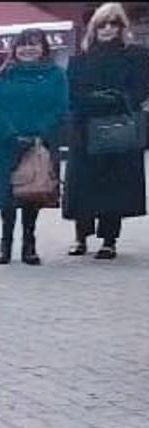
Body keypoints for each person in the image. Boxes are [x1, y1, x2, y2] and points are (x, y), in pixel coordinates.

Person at [63, 2, 149, 260]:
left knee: (115, 185)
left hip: (119, 127)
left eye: (114, 23)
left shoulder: (138, 56)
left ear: (122, 27)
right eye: (103, 23)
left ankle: (109, 240)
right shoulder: (79, 60)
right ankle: (80, 237)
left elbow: (141, 89)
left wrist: (116, 99)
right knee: (82, 184)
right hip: (85, 128)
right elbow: (74, 94)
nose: (108, 28)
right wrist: (99, 100)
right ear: (94, 27)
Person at [0, 30, 68, 266]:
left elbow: (60, 108)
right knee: (7, 197)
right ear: (15, 49)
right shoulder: (4, 75)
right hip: (7, 143)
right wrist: (11, 133)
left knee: (32, 193)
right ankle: (5, 243)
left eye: (34, 45)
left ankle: (29, 243)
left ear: (44, 48)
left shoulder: (56, 75)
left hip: (39, 142)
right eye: (23, 45)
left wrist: (39, 132)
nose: (28, 49)